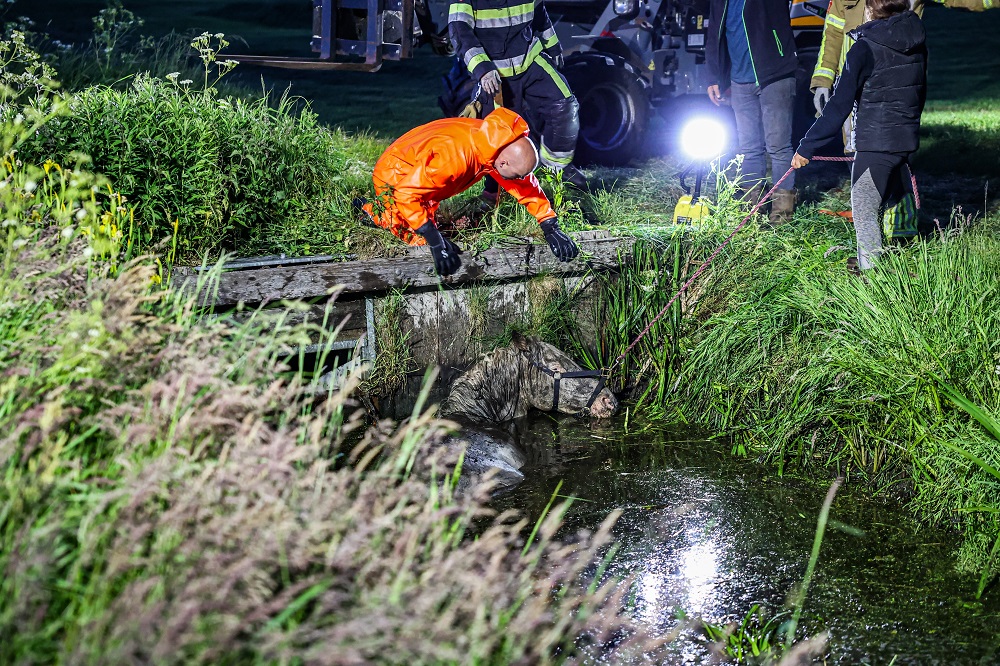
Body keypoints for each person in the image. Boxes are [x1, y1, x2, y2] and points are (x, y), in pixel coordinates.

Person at [358, 107, 579, 277]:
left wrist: (549, 224)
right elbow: (406, 193)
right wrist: (434, 240)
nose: (521, 180)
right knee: (412, 235)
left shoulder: (495, 144)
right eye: (518, 174)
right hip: (395, 174)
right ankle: (371, 213)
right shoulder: (456, 158)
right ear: (502, 163)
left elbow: (525, 185)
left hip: (423, 170)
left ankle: (402, 216)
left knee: (428, 216)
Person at [793, 0, 928, 273]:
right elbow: (919, 91)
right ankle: (876, 257)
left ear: (870, 9)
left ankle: (870, 276)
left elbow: (838, 108)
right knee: (879, 203)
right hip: (903, 141)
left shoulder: (863, 48)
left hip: (875, 143)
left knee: (865, 210)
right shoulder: (916, 40)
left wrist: (806, 148)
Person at [448, 0, 587, 206]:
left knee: (564, 105)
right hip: (494, 72)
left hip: (530, 59)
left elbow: (539, 12)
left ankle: (558, 173)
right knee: (499, 137)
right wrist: (482, 69)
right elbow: (459, 30)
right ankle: (494, 192)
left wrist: (553, 45)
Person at [811, 0, 994, 147]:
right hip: (856, 81)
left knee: (895, 143)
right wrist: (823, 82)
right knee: (855, 145)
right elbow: (833, 35)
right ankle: (871, 190)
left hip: (899, 80)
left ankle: (895, 190)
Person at [706, 0, 800, 225]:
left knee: (778, 147)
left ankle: (782, 217)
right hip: (740, 81)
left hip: (775, 75)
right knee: (749, 148)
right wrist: (713, 76)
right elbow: (713, 35)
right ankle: (751, 213)